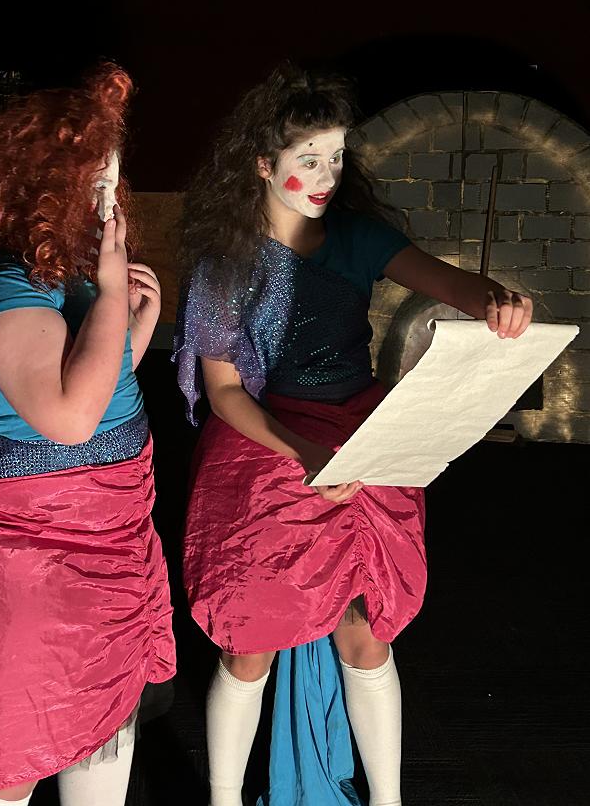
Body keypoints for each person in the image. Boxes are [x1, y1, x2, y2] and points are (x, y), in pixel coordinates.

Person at [173, 62, 533, 806]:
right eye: (308, 159)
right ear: (262, 164)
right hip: (267, 443)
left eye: (336, 157)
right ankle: (224, 798)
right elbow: (225, 393)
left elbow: (449, 281)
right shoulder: (226, 264)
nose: (327, 176)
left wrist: (494, 299)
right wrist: (305, 454)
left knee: (368, 633)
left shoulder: (357, 237)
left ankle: (388, 799)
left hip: (362, 432)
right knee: (251, 642)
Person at [0, 64, 175, 805]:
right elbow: (69, 421)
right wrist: (111, 294)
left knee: (100, 750)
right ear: (35, 179)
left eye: (111, 175)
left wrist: (132, 330)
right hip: (29, 569)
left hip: (107, 554)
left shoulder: (67, 267)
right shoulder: (3, 281)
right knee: (7, 767)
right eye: (91, 177)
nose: (108, 195)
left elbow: (91, 394)